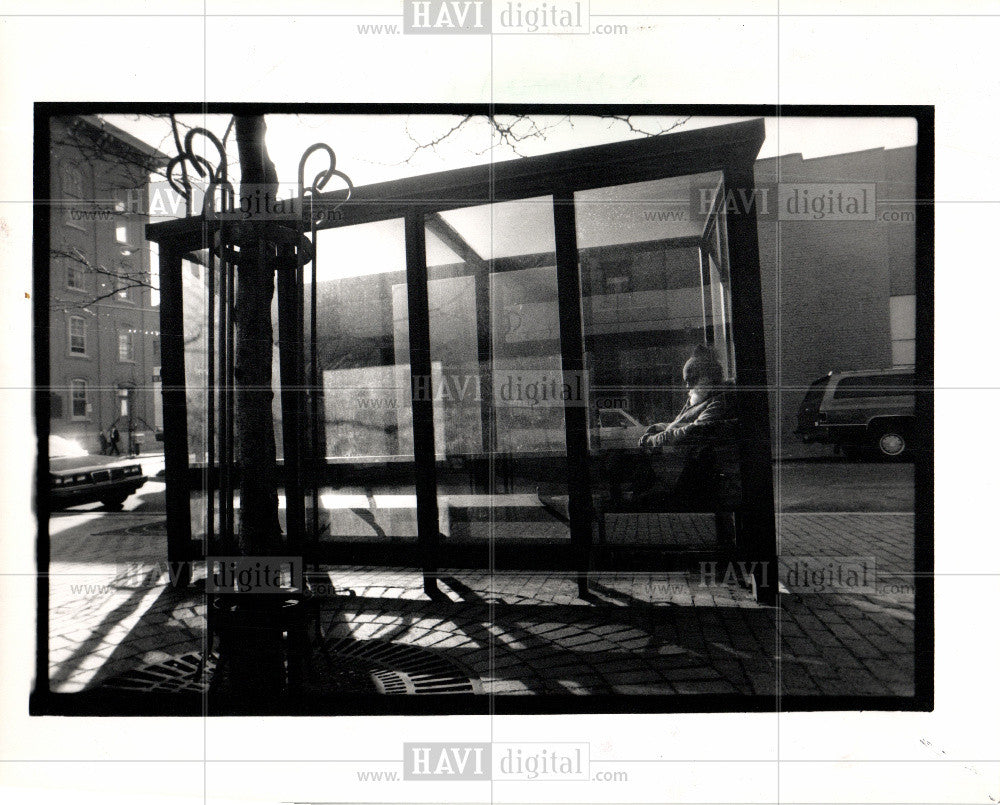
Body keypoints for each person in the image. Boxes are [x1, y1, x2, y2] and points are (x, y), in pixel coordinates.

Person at [635, 344, 734, 510]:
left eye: (692, 381)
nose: (688, 387)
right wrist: (659, 427)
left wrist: (654, 440)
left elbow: (695, 430)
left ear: (708, 378)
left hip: (700, 473)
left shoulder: (720, 401)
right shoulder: (703, 398)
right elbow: (681, 424)